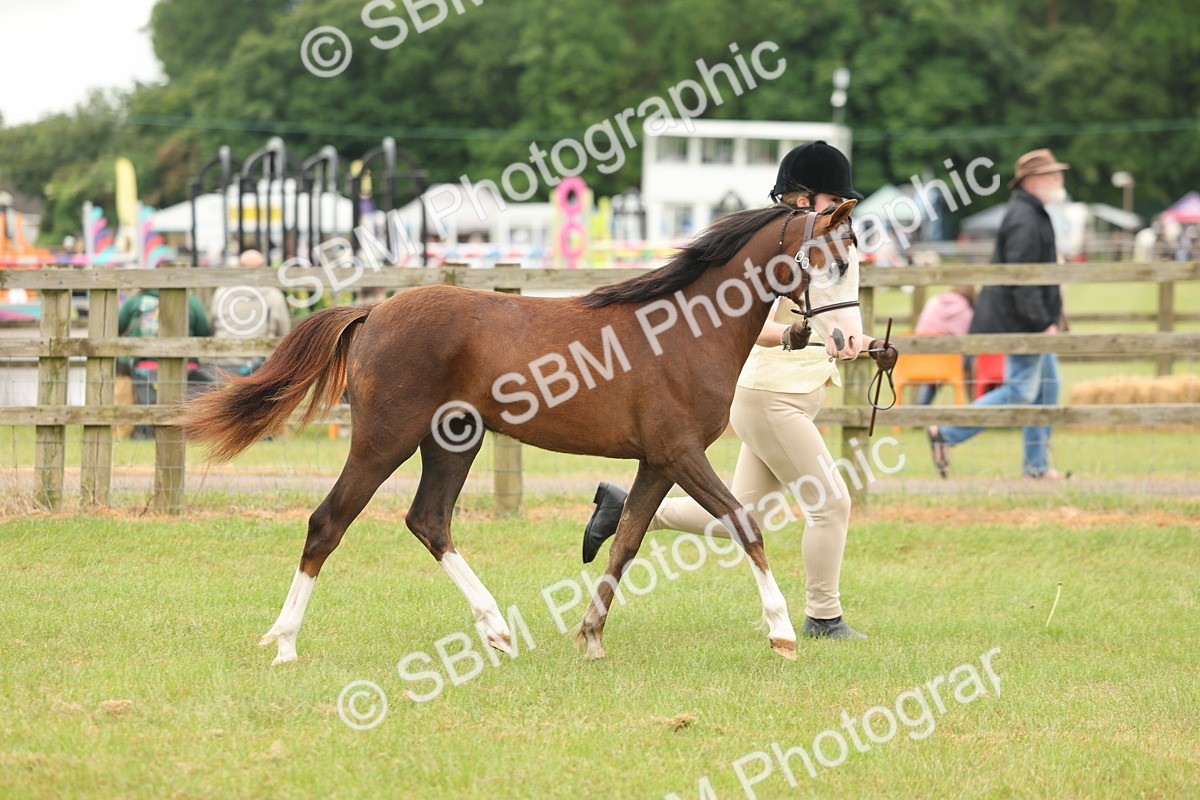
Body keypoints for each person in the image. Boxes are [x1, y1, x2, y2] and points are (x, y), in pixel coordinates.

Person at [581, 141, 897, 640]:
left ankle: (622, 509)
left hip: (787, 393)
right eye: (830, 200)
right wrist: (804, 336)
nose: (838, 211)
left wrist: (865, 342)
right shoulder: (777, 250)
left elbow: (828, 319)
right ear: (801, 199)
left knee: (738, 512)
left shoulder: (820, 246)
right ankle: (823, 617)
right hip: (771, 395)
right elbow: (759, 324)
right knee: (830, 502)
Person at [928, 148, 1067, 479]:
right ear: (1032, 181)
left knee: (1048, 388)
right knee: (1022, 391)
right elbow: (1020, 278)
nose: (1059, 180)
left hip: (1028, 319)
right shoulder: (1024, 217)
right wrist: (1041, 323)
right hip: (1022, 322)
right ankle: (945, 432)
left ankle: (1036, 466)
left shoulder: (1031, 212)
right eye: (1052, 174)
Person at [118, 281, 214, 439]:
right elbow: (203, 332)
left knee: (147, 412)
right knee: (183, 406)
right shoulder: (191, 300)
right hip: (186, 367)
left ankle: (146, 433)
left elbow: (116, 327)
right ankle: (187, 432)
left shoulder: (136, 301)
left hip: (145, 367)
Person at [211, 249, 293, 375]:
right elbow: (284, 332)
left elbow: (212, 325)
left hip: (224, 362)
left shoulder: (221, 293)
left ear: (238, 267)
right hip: (261, 366)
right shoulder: (273, 294)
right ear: (263, 268)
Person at [913, 285, 975, 405]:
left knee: (935, 375)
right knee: (971, 358)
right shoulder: (967, 311)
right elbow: (966, 342)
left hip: (919, 359)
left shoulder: (934, 301)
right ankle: (975, 403)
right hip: (947, 363)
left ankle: (921, 408)